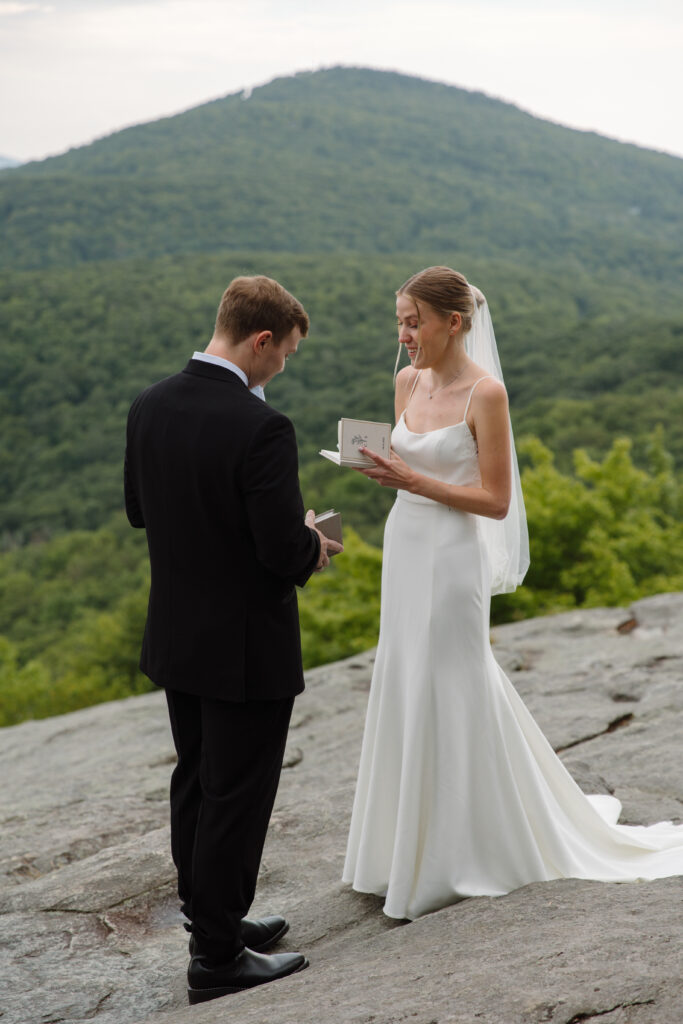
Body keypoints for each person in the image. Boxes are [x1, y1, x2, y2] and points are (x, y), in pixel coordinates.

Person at [342, 265, 683, 921]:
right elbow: (406, 470)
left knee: (451, 679)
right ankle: (396, 850)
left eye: (413, 322)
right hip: (404, 550)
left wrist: (414, 480)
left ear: (454, 323)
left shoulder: (485, 394)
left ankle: (465, 847)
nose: (404, 335)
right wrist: (386, 472)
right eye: (399, 323)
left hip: (450, 557)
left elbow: (494, 501)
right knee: (404, 675)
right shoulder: (404, 382)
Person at [124, 275, 342, 1004]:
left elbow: (139, 511)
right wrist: (312, 540)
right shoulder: (260, 426)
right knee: (237, 797)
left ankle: (211, 920)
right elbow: (281, 553)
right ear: (260, 340)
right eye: (285, 353)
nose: (283, 366)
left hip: (177, 633)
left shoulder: (150, 403)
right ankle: (215, 958)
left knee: (197, 780)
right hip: (247, 644)